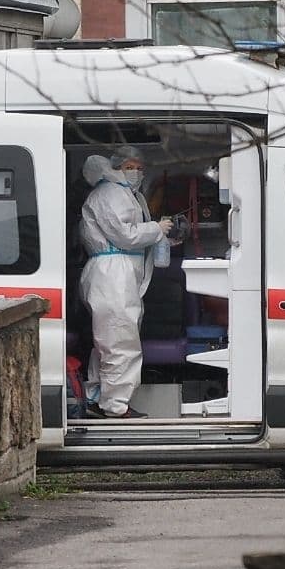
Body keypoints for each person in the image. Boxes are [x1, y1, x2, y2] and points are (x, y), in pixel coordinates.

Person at [77, 146, 174, 419]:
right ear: (116, 166)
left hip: (115, 273)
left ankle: (99, 398)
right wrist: (156, 228)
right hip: (113, 275)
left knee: (108, 342)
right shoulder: (110, 193)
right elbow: (125, 235)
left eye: (139, 167)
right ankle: (115, 407)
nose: (136, 172)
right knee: (120, 341)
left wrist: (159, 234)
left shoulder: (125, 194)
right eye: (130, 166)